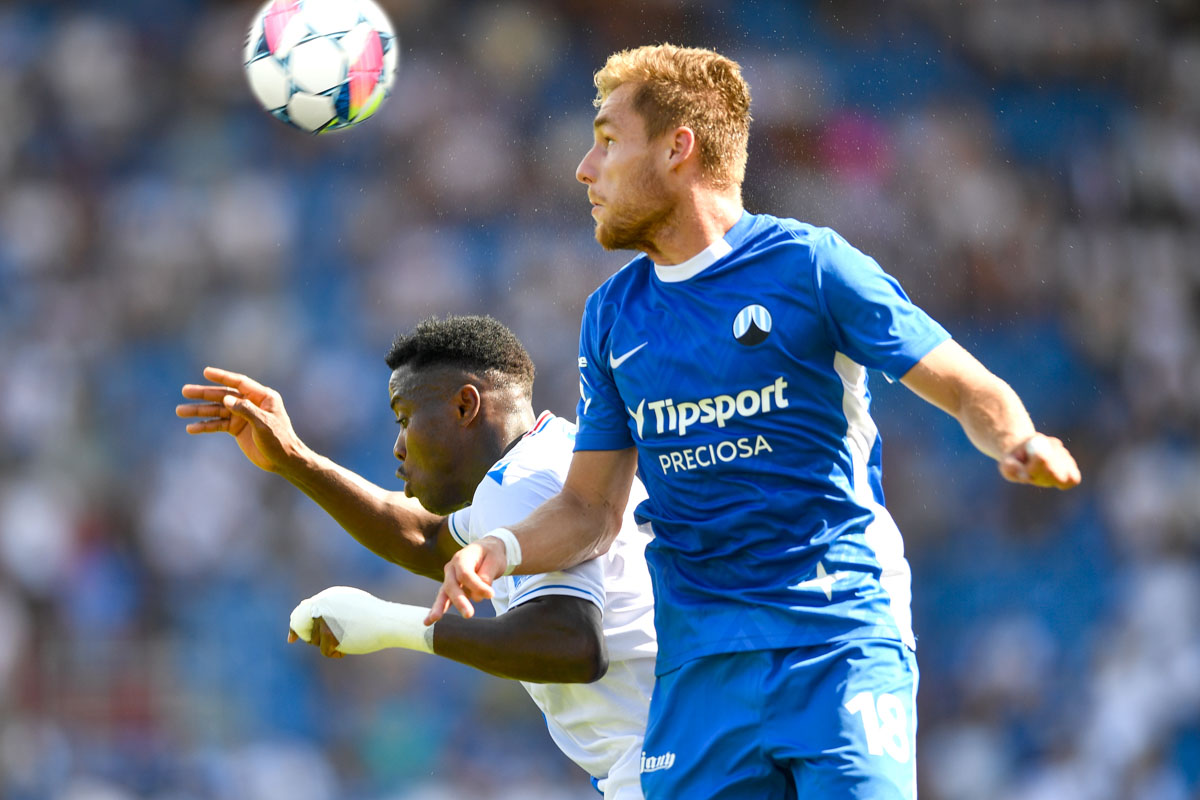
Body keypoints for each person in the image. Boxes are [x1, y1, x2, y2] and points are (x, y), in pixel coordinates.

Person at [430, 44, 1083, 799]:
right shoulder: (612, 316)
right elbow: (587, 510)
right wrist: (500, 549)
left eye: (607, 141)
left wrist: (1018, 438)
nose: (584, 168)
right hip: (703, 668)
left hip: (835, 636)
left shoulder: (810, 267)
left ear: (678, 148)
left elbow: (967, 387)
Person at [175, 315, 657, 800]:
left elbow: (574, 644)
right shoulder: (551, 455)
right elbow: (425, 537)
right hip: (669, 747)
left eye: (405, 418)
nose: (398, 445)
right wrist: (294, 457)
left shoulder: (517, 484)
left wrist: (391, 625)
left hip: (662, 761)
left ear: (465, 406)